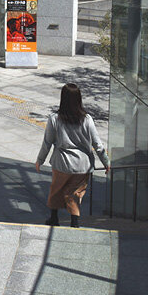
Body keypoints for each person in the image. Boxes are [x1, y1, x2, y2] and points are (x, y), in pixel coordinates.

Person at [34, 83, 110, 228]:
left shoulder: (55, 119)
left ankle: (54, 219)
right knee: (75, 194)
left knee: (56, 189)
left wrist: (40, 160)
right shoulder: (87, 119)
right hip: (83, 165)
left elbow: (47, 143)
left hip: (62, 163)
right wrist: (106, 162)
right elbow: (97, 144)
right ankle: (74, 223)